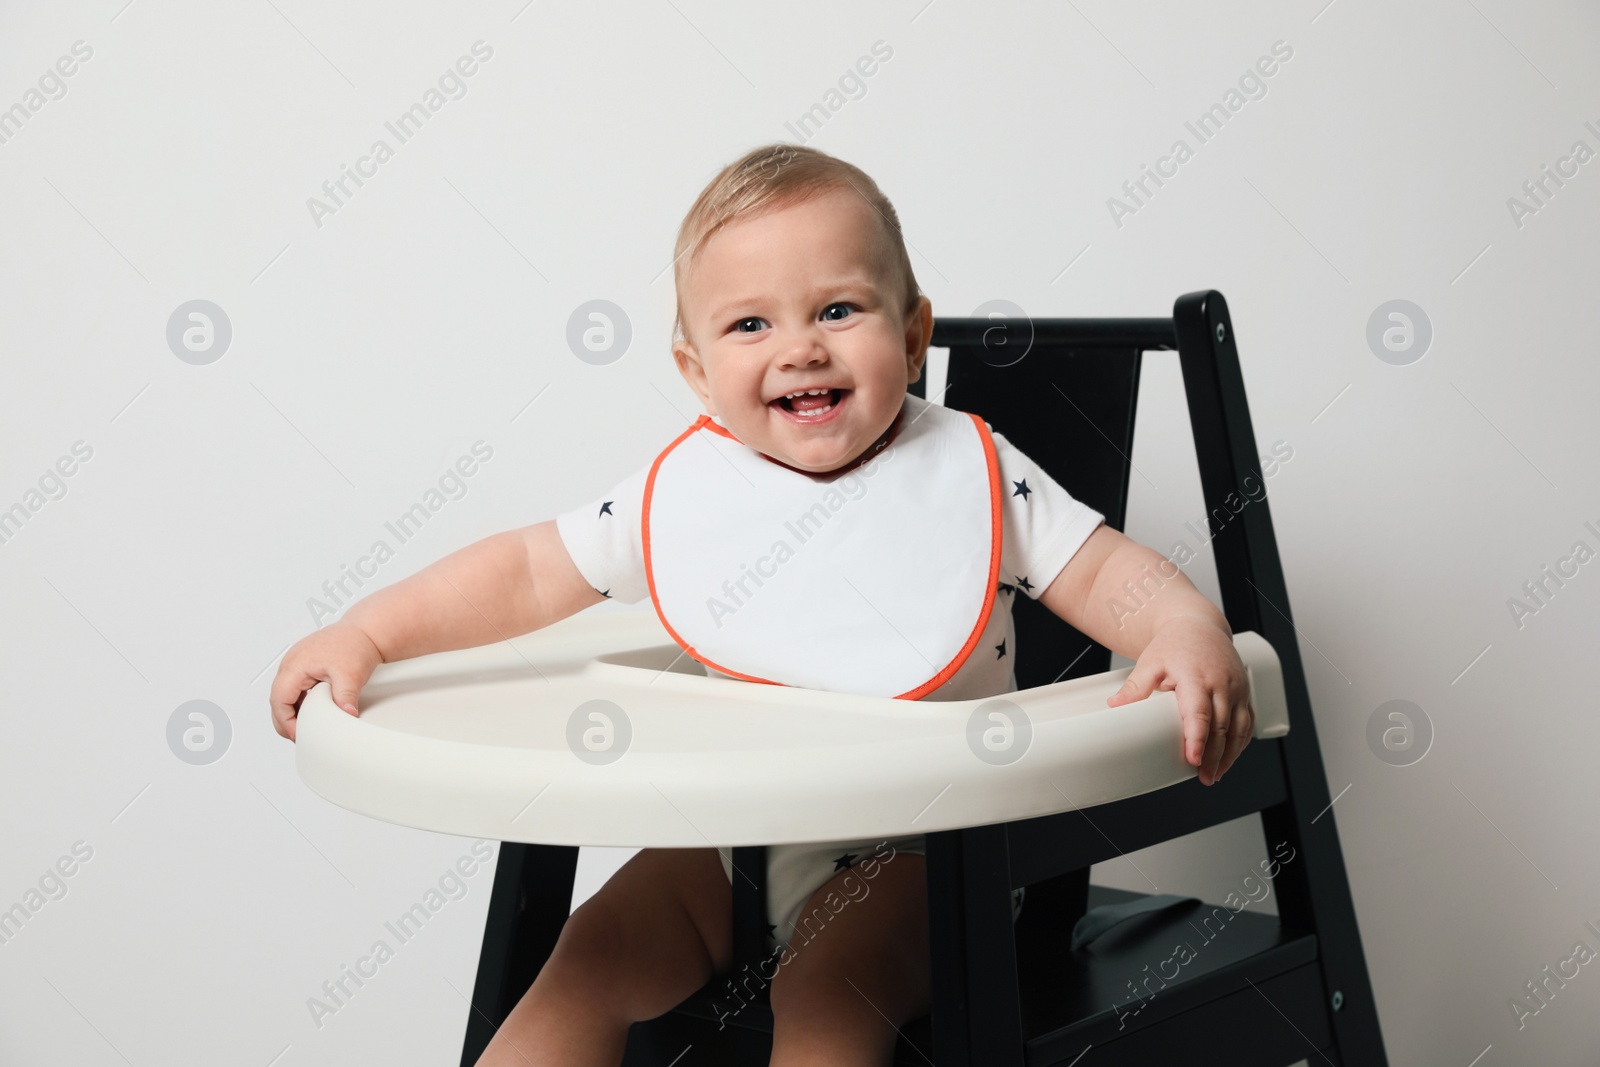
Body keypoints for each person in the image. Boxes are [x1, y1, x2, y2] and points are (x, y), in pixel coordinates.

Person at [270, 143, 1255, 1067]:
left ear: (911, 335)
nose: (799, 349)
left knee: (827, 991)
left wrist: (1180, 628)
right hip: (729, 840)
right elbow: (527, 571)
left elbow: (1104, 571)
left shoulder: (976, 472)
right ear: (696, 372)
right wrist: (368, 631)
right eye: (750, 324)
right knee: (586, 959)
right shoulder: (685, 493)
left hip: (920, 849)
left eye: (837, 309)